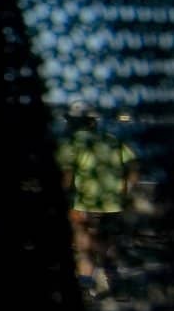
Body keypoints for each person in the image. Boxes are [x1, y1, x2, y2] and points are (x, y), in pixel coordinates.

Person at [57, 103, 136, 297]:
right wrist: (126, 193)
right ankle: (117, 286)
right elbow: (133, 168)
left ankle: (85, 288)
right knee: (107, 245)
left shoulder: (72, 143)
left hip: (84, 204)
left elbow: (66, 174)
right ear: (93, 122)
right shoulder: (112, 140)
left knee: (84, 247)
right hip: (112, 204)